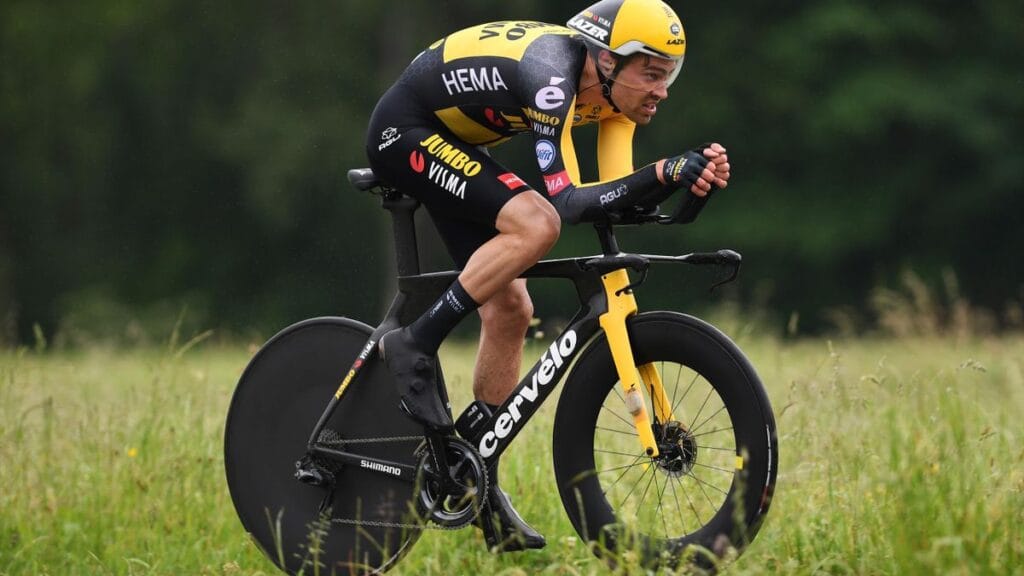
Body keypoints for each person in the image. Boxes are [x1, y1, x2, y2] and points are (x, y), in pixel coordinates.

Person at [364, 0, 730, 552]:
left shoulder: (610, 101)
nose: (663, 90)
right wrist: (664, 171)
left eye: (669, 74)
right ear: (607, 60)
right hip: (406, 132)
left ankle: (475, 477)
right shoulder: (552, 78)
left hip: (455, 143)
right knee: (537, 224)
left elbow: (610, 194)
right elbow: (565, 203)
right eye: (651, 73)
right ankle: (414, 343)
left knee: (512, 308)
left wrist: (684, 181)